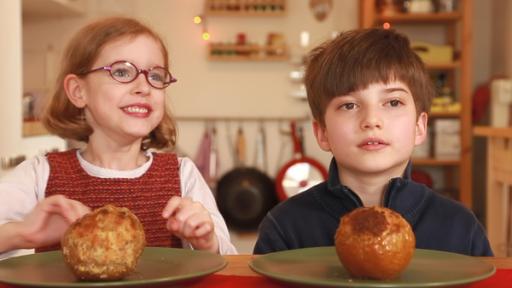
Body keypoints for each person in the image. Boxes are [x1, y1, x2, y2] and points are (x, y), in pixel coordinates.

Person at [0, 17, 236, 260]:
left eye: (155, 76)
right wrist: (21, 234)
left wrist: (207, 243)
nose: (144, 87)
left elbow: (230, 261)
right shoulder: (39, 175)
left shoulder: (182, 175)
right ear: (78, 91)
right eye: (122, 71)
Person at [253, 28, 493, 256]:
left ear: (419, 127)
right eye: (349, 105)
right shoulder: (285, 227)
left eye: (393, 103)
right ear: (322, 133)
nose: (371, 120)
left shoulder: (460, 228)